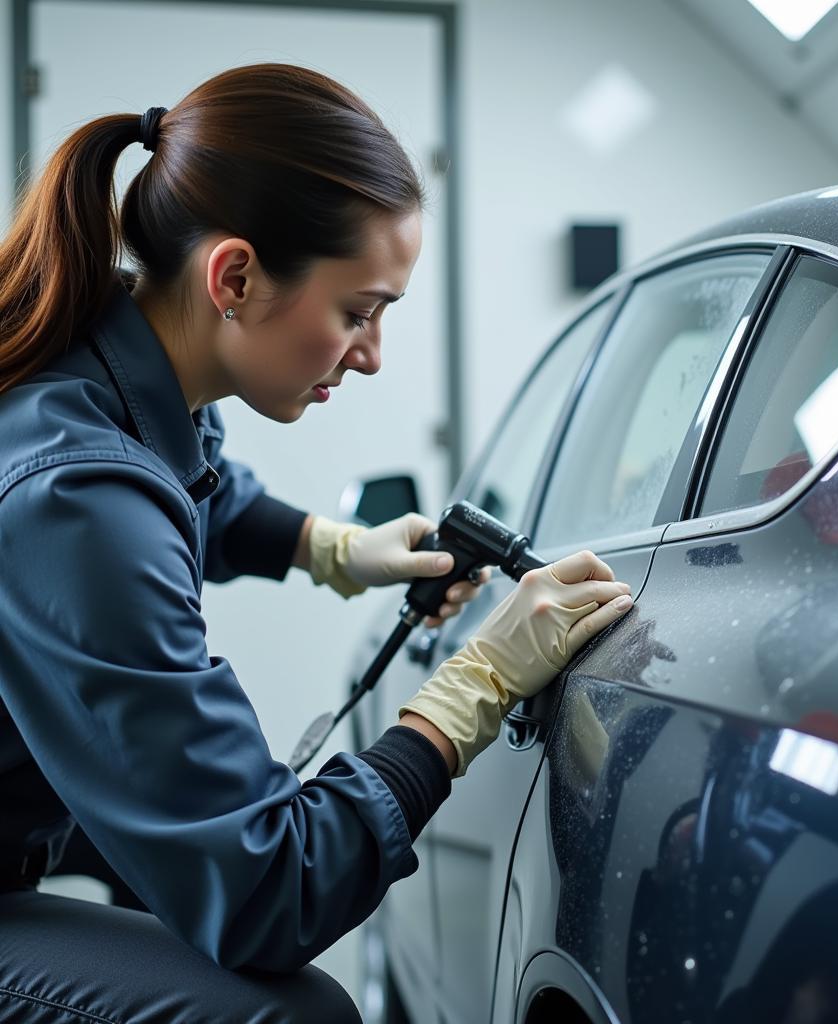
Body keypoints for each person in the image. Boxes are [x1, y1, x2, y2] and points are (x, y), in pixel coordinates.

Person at [0, 63, 634, 1022]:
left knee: (154, 871)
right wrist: (472, 690)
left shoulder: (100, 365)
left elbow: (195, 493)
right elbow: (272, 893)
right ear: (237, 275)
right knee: (296, 1015)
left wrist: (336, 548)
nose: (372, 353)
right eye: (359, 310)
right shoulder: (76, 493)